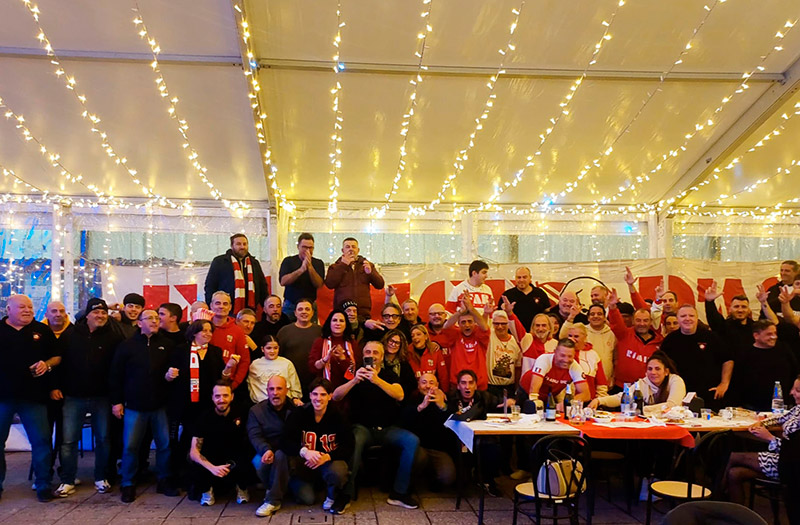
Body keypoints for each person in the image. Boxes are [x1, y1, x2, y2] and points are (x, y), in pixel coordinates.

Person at [332, 341, 420, 510]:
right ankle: (346, 494)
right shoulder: (355, 373)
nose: (371, 355)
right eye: (368, 352)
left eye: (375, 353)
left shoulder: (388, 374)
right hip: (362, 428)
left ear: (381, 356)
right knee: (355, 440)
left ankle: (399, 493)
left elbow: (400, 395)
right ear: (363, 355)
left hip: (387, 429)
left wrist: (377, 380)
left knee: (412, 441)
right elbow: (336, 396)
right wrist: (354, 381)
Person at [53, 298, 124, 498]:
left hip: (102, 397)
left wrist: (116, 397)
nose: (100, 316)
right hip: (73, 396)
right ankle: (67, 480)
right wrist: (55, 386)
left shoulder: (114, 337)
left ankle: (101, 478)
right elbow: (59, 361)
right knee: (68, 440)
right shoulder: (70, 334)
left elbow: (118, 370)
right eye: (96, 312)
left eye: (103, 312)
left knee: (103, 439)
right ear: (87, 315)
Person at [109, 309, 179, 502]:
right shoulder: (127, 346)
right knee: (130, 446)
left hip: (160, 405)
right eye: (150, 318)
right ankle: (128, 483)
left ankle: (164, 480)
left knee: (164, 445)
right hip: (134, 406)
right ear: (139, 323)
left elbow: (174, 371)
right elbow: (115, 375)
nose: (155, 321)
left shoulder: (168, 345)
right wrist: (116, 402)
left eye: (157, 318)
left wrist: (171, 376)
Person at [0, 295, 59, 502]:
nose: (27, 310)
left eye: (30, 307)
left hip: (34, 397)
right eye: (22, 307)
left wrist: (46, 364)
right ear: (8, 309)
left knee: (41, 441)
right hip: (2, 397)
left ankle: (43, 485)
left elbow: (57, 356)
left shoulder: (42, 330)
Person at [166, 319, 232, 488]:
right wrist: (170, 374)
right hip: (186, 404)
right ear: (194, 332)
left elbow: (222, 379)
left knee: (204, 442)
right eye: (204, 330)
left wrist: (229, 368)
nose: (208, 334)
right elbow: (169, 377)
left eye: (210, 331)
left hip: (207, 406)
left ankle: (202, 477)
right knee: (185, 440)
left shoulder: (215, 352)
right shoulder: (181, 350)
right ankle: (178, 476)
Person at [724, 375, 800, 505]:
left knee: (731, 457)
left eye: (797, 390)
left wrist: (770, 438)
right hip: (782, 458)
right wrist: (762, 423)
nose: (791, 392)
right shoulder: (798, 409)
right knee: (734, 474)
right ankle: (736, 514)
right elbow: (779, 418)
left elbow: (792, 453)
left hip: (790, 466)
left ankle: (712, 498)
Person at [282, 378, 353, 515]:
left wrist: (327, 456)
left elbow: (349, 445)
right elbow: (284, 441)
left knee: (338, 471)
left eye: (323, 394)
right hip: (305, 464)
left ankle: (332, 494)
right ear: (310, 396)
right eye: (315, 394)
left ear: (330, 396)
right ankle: (301, 485)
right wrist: (304, 452)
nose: (318, 398)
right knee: (307, 498)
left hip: (328, 463)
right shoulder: (299, 413)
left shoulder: (339, 416)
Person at [448, 369, 514, 496]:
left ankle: (487, 480)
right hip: (458, 440)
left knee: (493, 447)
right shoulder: (451, 399)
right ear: (458, 386)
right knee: (462, 482)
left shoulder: (483, 397)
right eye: (463, 383)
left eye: (471, 383)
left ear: (475, 385)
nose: (467, 387)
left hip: (480, 438)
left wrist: (508, 402)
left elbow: (499, 401)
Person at [660, 304, 734, 410]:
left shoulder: (711, 337)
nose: (687, 319)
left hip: (710, 394)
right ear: (678, 319)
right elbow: (662, 365)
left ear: (697, 318)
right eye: (683, 316)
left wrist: (724, 383)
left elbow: (727, 360)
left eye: (691, 315)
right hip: (680, 394)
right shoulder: (669, 341)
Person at [188, 381, 250, 506]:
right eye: (217, 396)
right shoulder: (204, 417)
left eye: (225, 395)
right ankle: (207, 490)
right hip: (212, 459)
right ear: (212, 397)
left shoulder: (242, 413)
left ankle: (242, 488)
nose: (222, 400)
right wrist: (212, 468)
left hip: (234, 457)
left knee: (248, 456)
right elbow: (193, 452)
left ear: (232, 396)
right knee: (197, 461)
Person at [248, 376, 295, 517]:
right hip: (267, 452)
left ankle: (278, 487)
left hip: (291, 455)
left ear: (286, 390)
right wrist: (266, 449)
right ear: (267, 391)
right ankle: (273, 499)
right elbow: (255, 436)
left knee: (307, 498)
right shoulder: (256, 411)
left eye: (279, 388)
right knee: (258, 462)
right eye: (271, 389)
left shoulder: (296, 409)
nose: (275, 393)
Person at [403, 373, 457, 490]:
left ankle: (432, 480)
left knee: (448, 477)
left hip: (437, 449)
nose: (427, 386)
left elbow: (454, 422)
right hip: (417, 447)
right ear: (418, 385)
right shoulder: (411, 399)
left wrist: (442, 407)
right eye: (424, 382)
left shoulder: (444, 400)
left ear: (437, 385)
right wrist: (421, 407)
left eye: (431, 383)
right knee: (418, 458)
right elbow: (404, 420)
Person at [590, 351, 686, 414]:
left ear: (666, 372)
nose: (653, 372)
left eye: (657, 369)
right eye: (650, 369)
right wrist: (599, 400)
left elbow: (672, 405)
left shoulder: (676, 381)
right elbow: (621, 397)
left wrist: (643, 410)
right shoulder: (642, 383)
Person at [735, 320, 798, 412]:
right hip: (752, 407)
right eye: (769, 334)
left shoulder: (784, 349)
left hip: (782, 406)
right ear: (756, 336)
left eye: (775, 333)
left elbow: (795, 371)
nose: (774, 337)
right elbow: (738, 380)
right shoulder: (745, 353)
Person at [607, 288, 663, 389]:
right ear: (633, 321)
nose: (642, 324)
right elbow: (616, 322)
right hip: (623, 387)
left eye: (645, 320)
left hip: (649, 388)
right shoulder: (624, 334)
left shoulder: (659, 341)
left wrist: (658, 299)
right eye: (638, 320)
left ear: (651, 322)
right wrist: (612, 306)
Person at [204, 233, 267, 315]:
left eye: (245, 244)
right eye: (238, 244)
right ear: (232, 246)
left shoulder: (254, 263)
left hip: (250, 311)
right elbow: (210, 286)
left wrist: (266, 307)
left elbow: (262, 287)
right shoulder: (220, 262)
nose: (242, 247)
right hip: (227, 310)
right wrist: (211, 307)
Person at [42, 300, 71, 483]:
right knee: (44, 436)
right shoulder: (38, 332)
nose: (58, 314)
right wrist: (52, 387)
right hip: (43, 393)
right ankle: (44, 473)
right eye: (54, 311)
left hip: (68, 393)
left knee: (64, 436)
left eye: (61, 311)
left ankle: (65, 472)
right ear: (46, 314)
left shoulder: (73, 333)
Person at [439, 294, 491, 389]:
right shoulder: (455, 335)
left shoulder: (479, 335)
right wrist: (460, 312)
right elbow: (445, 327)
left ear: (474, 323)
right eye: (463, 322)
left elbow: (484, 327)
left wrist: (471, 309)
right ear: (458, 324)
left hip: (479, 385)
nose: (467, 325)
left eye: (470, 321)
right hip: (457, 384)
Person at [324, 237, 385, 317]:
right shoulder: (335, 266)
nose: (351, 249)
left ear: (358, 250)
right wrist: (343, 265)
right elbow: (329, 284)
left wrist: (370, 273)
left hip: (363, 312)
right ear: (343, 250)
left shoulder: (366, 265)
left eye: (353, 247)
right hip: (342, 312)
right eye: (347, 247)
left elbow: (380, 285)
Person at [560, 303, 617, 387]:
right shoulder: (581, 331)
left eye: (599, 314)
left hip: (605, 381)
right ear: (588, 318)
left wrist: (613, 377)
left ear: (604, 317)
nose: (596, 316)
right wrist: (571, 317)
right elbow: (562, 337)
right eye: (592, 314)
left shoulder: (612, 334)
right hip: (584, 378)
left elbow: (616, 358)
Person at [277, 299, 322, 400]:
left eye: (307, 309)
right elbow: (278, 357)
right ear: (295, 313)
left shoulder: (320, 331)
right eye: (300, 309)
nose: (304, 312)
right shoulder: (284, 331)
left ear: (312, 313)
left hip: (315, 383)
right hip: (291, 383)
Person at [527, 339, 590, 407]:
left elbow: (586, 395)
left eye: (570, 356)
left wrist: (568, 403)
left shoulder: (575, 366)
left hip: (549, 398)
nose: (566, 360)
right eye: (562, 355)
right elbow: (533, 391)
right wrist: (535, 403)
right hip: (527, 393)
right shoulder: (544, 359)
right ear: (555, 352)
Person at [279, 233, 326, 321]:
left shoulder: (318, 263)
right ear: (298, 247)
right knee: (288, 328)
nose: (307, 250)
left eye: (310, 248)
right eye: (304, 247)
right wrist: (301, 270)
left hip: (310, 305)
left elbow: (319, 284)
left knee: (311, 329)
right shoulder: (288, 261)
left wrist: (310, 267)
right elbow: (283, 281)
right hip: (291, 305)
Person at [207, 291, 249, 391]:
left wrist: (234, 384)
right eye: (218, 303)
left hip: (228, 384)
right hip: (205, 382)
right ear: (211, 306)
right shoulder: (203, 327)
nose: (221, 306)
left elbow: (244, 360)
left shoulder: (237, 330)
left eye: (225, 304)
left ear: (230, 307)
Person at [309, 310, 359, 390]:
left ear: (346, 324)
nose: (338, 323)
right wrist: (326, 358)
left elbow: (354, 371)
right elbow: (313, 369)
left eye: (341, 321)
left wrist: (343, 359)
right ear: (329, 323)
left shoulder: (353, 343)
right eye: (334, 320)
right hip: (324, 390)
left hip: (347, 388)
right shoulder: (319, 342)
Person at [249, 336, 303, 404]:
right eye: (269, 348)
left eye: (275, 348)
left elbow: (295, 385)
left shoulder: (287, 363)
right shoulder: (255, 365)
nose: (272, 351)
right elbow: (252, 386)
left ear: (279, 348)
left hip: (285, 403)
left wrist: (295, 398)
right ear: (262, 349)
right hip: (262, 404)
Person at [485, 308, 523, 400]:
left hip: (509, 388)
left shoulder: (515, 341)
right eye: (496, 324)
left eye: (503, 324)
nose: (500, 327)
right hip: (491, 387)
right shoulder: (489, 337)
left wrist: (517, 389)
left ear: (508, 324)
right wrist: (486, 313)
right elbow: (482, 325)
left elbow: (517, 369)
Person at [564, 324, 609, 399]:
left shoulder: (593, 355)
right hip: (566, 399)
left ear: (585, 337)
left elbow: (601, 383)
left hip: (588, 400)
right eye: (570, 336)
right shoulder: (562, 354)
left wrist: (599, 401)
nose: (572, 339)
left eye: (576, 336)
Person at [501, 266, 550, 331]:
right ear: (515, 278)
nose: (521, 280)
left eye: (524, 277)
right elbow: (500, 317)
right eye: (519, 277)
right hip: (513, 333)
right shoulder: (507, 295)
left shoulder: (540, 294)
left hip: (537, 333)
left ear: (530, 278)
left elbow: (548, 314)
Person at [519, 313, 558, 393]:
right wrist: (509, 313)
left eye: (544, 325)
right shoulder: (527, 340)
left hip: (547, 390)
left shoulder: (555, 344)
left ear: (550, 327)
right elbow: (517, 328)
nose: (540, 329)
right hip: (526, 388)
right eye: (537, 325)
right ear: (533, 327)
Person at [407, 324, 449, 392]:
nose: (415, 337)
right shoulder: (408, 353)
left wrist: (445, 392)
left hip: (432, 390)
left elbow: (443, 375)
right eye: (412, 336)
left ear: (426, 336)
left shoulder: (435, 351)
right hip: (415, 393)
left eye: (418, 334)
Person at [380, 330, 417, 398]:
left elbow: (412, 384)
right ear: (386, 341)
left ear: (401, 346)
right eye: (391, 341)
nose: (393, 344)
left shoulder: (404, 364)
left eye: (397, 343)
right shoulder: (378, 361)